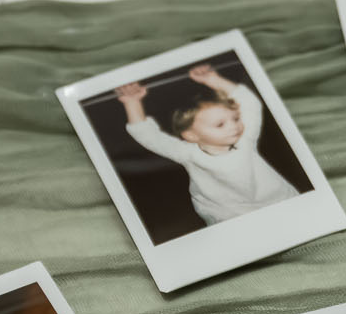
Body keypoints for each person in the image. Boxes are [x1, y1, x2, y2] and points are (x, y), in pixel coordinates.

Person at [110, 64, 296, 229]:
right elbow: (149, 137)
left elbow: (249, 103)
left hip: (277, 201)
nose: (234, 126)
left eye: (235, 118)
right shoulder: (188, 154)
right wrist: (132, 102)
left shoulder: (245, 139)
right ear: (192, 135)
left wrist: (213, 79)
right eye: (220, 124)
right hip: (229, 217)